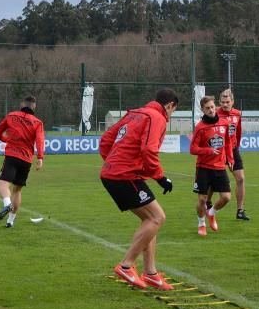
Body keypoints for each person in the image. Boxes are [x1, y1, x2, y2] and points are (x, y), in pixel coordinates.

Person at [100, 88, 178, 291]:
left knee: (150, 219)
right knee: (157, 218)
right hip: (124, 175)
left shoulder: (134, 113)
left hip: (114, 173)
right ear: (170, 106)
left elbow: (106, 140)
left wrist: (113, 163)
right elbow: (149, 149)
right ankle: (126, 265)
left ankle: (150, 273)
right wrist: (160, 178)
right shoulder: (157, 117)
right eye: (173, 112)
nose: (170, 116)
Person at [0, 96, 45, 228]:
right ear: (34, 107)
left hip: (12, 156)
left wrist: (7, 140)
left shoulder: (11, 116)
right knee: (17, 190)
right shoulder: (37, 122)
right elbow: (39, 140)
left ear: (22, 105)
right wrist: (40, 158)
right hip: (26, 160)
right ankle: (10, 221)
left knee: (3, 183)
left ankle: (6, 204)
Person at [190, 95, 234, 236]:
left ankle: (211, 212)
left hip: (220, 167)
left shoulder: (224, 123)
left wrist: (230, 158)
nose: (211, 110)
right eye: (207, 108)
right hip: (203, 167)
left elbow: (227, 143)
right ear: (202, 110)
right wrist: (207, 150)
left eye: (212, 107)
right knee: (202, 199)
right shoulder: (200, 128)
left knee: (226, 197)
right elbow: (192, 149)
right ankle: (201, 224)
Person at [217, 88, 249, 220]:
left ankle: (240, 211)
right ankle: (207, 204)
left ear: (232, 102)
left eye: (227, 102)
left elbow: (238, 132)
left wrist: (236, 147)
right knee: (214, 182)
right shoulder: (215, 114)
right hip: (218, 150)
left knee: (241, 178)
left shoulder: (237, 114)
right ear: (219, 102)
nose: (225, 104)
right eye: (223, 102)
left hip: (233, 149)